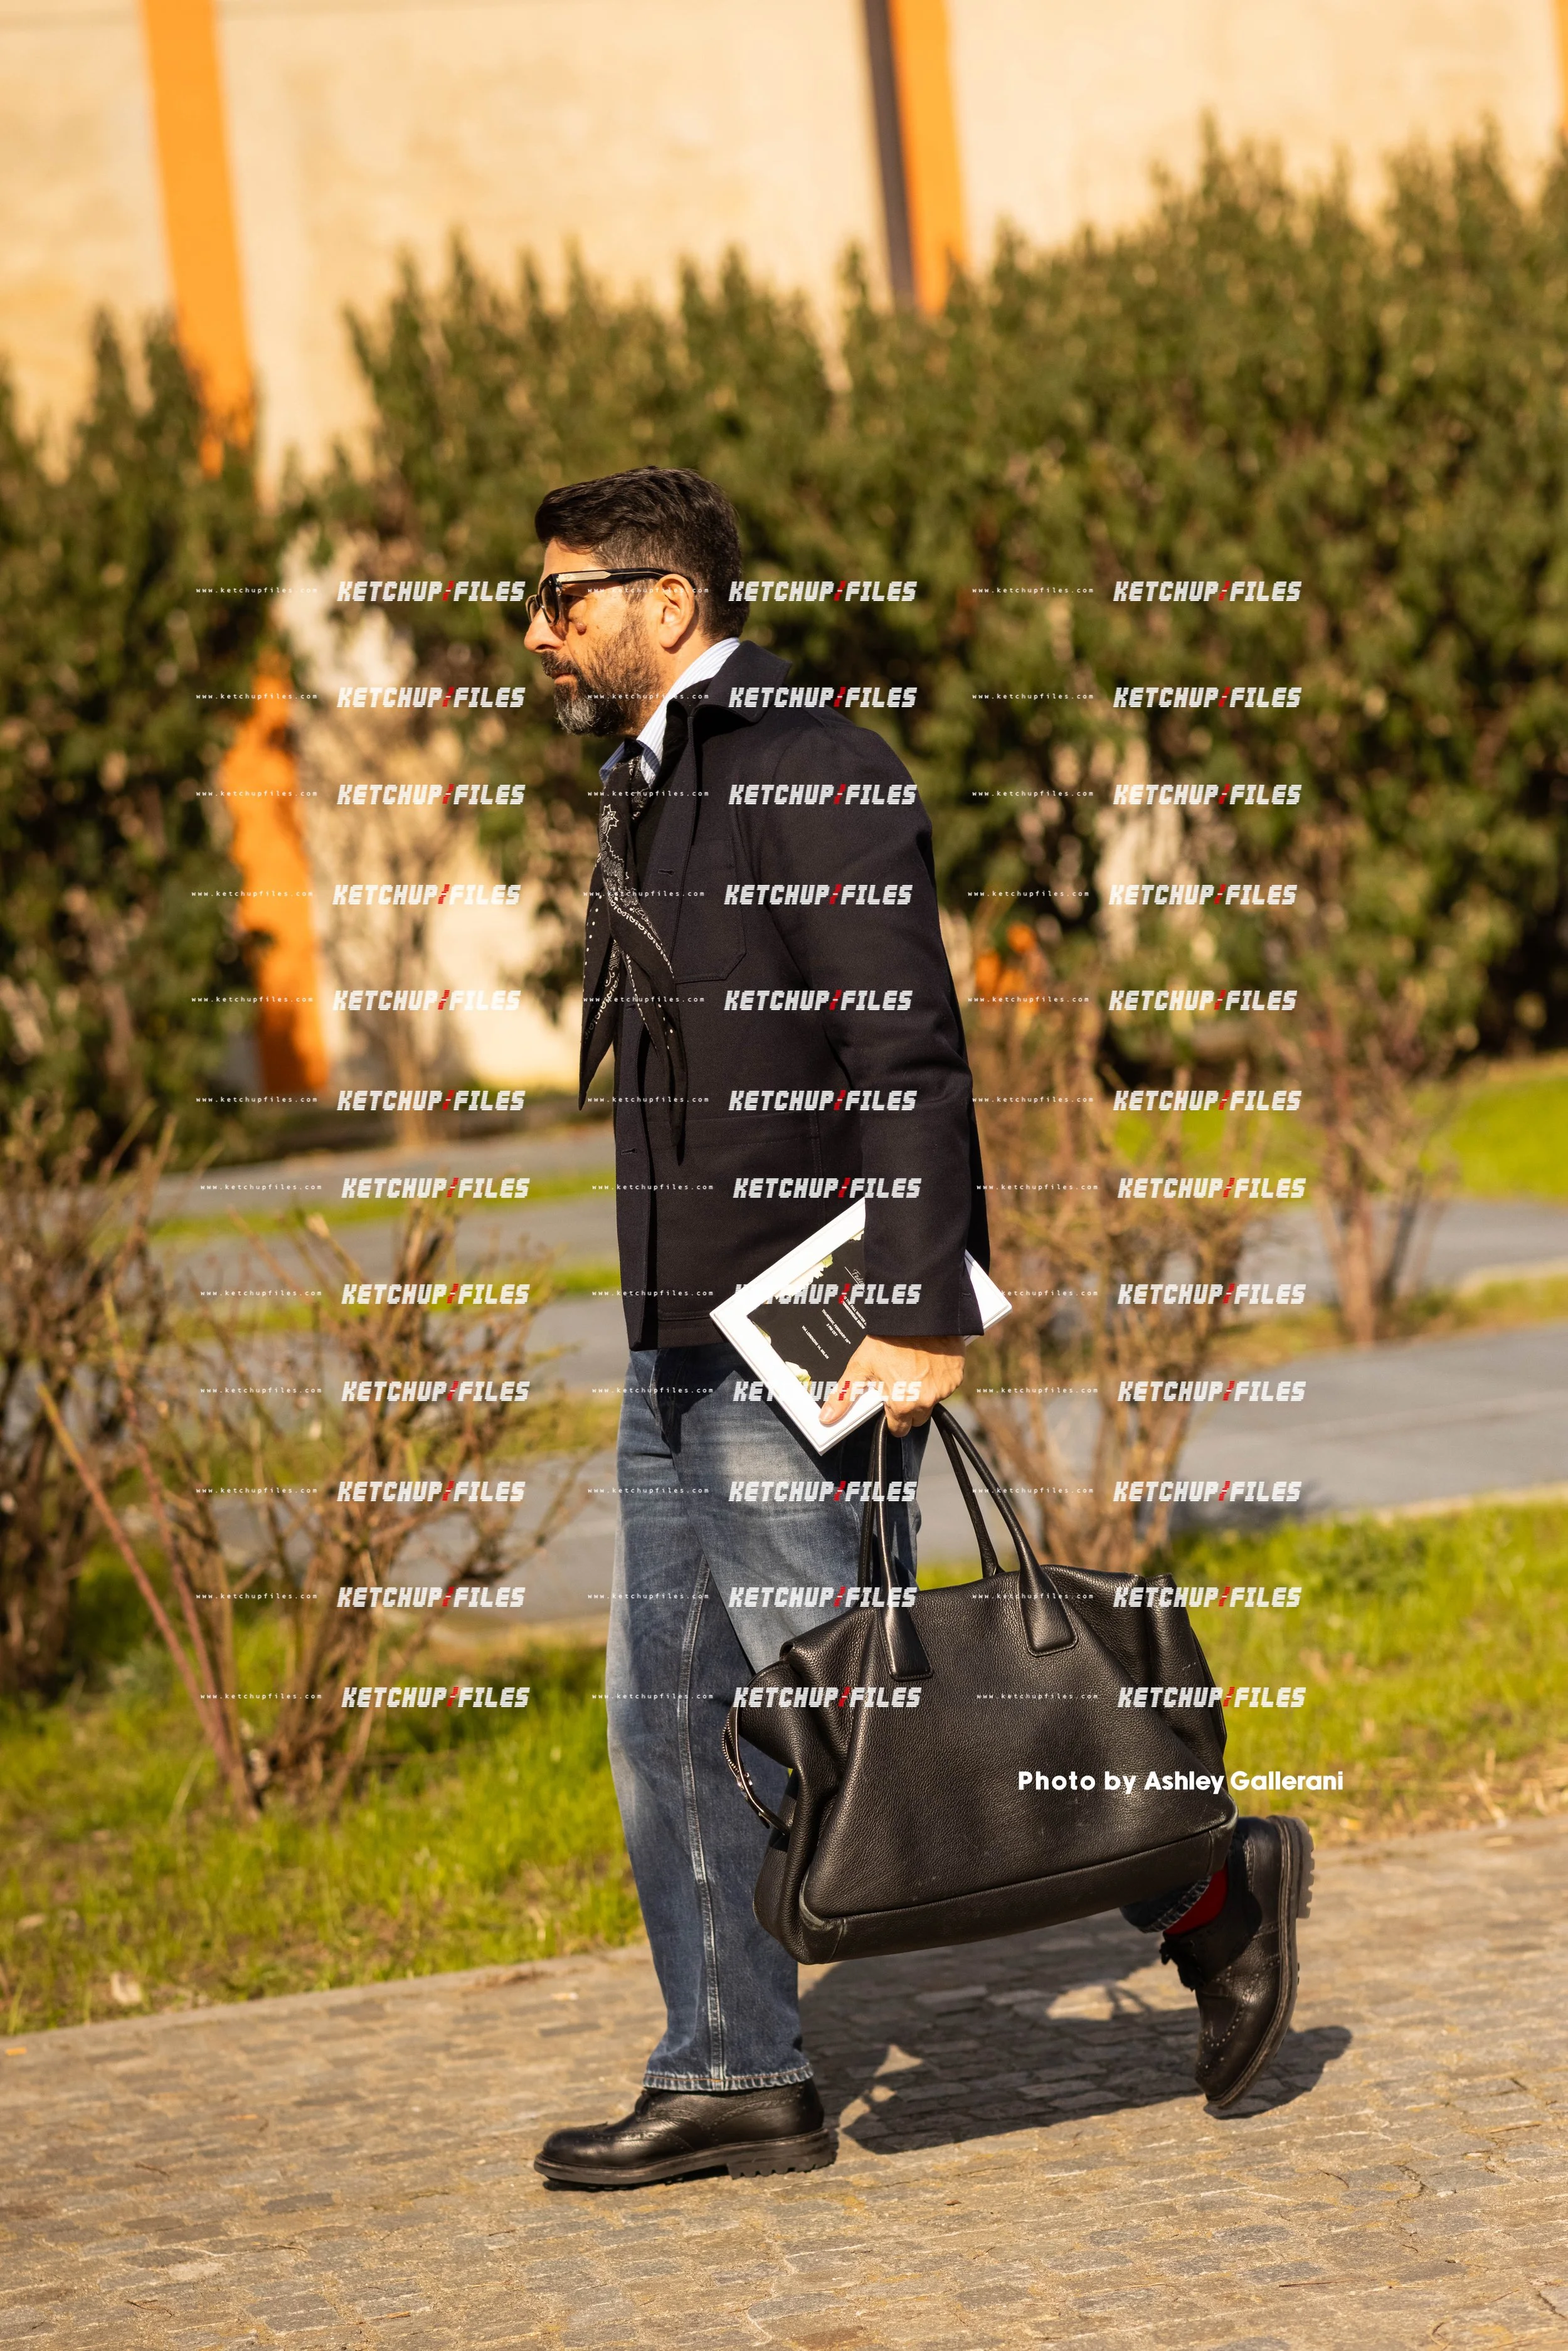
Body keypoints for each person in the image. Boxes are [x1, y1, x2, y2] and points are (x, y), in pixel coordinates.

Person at [522, 467, 1311, 2189]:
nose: (538, 631)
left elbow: (905, 1046)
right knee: (669, 1721)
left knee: (886, 1726)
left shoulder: (808, 762)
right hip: (681, 1337)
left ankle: (1207, 1885)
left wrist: (918, 1306)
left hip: (802, 1334)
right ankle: (736, 2066)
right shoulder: (658, 779)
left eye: (565, 597)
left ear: (669, 599)